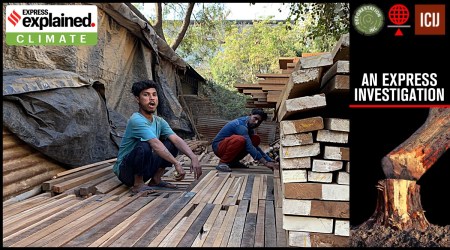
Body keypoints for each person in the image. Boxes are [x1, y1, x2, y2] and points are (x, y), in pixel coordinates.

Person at [112, 80, 201, 194]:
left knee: (171, 144)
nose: (152, 98)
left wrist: (193, 157)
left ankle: (156, 180)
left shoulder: (159, 121)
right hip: (126, 172)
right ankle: (138, 184)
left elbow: (176, 139)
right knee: (144, 145)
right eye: (146, 95)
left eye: (154, 95)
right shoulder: (136, 120)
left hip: (145, 169)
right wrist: (176, 163)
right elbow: (155, 144)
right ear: (137, 99)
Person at [212, 108, 279, 172]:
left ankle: (233, 162)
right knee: (240, 140)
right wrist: (265, 162)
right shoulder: (241, 126)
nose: (256, 122)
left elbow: (255, 147)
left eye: (259, 121)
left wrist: (269, 160)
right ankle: (223, 163)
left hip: (226, 146)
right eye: (255, 118)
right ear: (250, 115)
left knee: (255, 139)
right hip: (218, 147)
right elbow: (249, 146)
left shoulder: (250, 128)